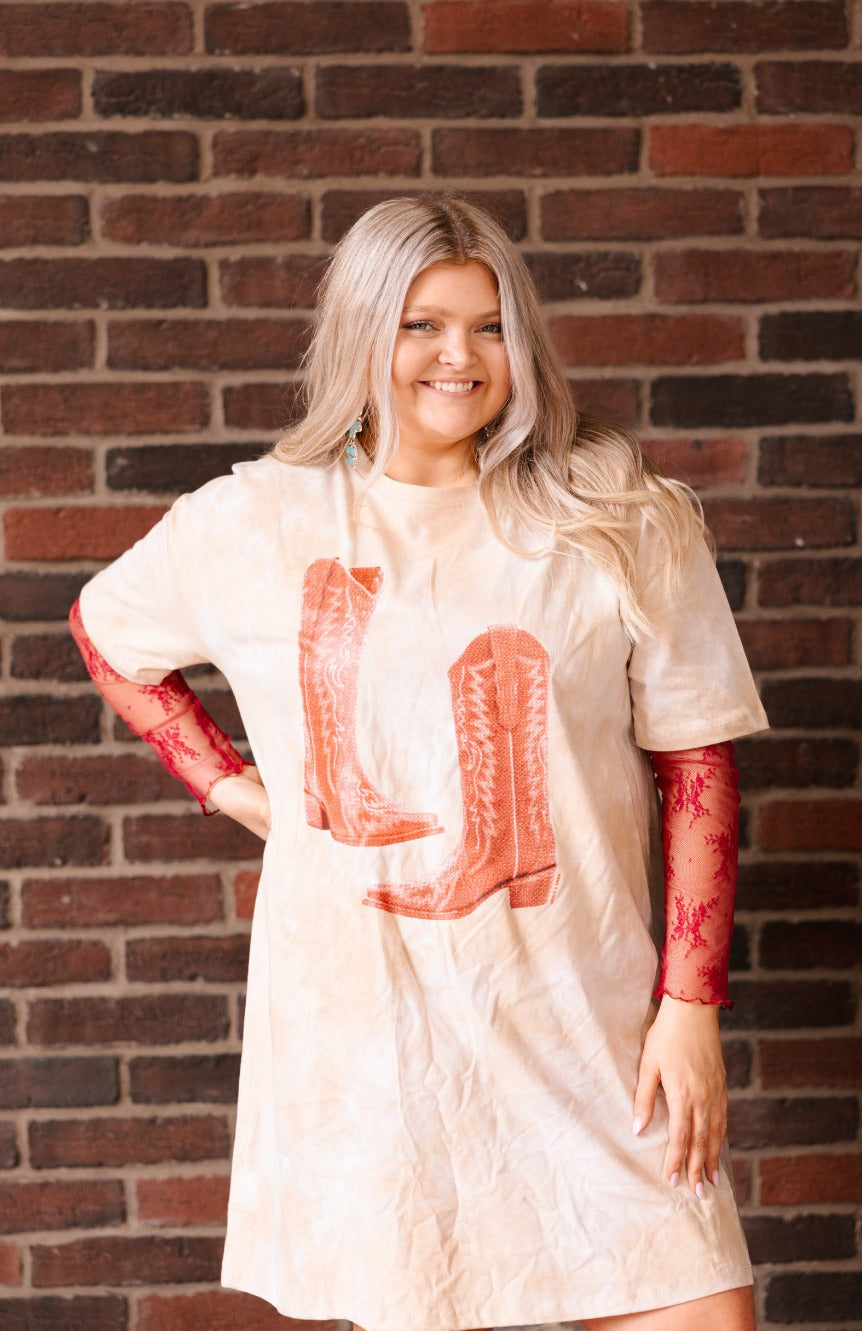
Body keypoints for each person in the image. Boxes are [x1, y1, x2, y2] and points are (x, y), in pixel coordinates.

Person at [70, 195, 768, 1331]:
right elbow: (108, 631)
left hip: (579, 1014)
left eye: (489, 326)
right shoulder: (257, 521)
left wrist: (686, 1005)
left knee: (695, 1306)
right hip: (370, 1041)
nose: (459, 356)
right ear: (363, 332)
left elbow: (695, 765)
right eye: (422, 324)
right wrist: (238, 792)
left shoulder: (618, 515)